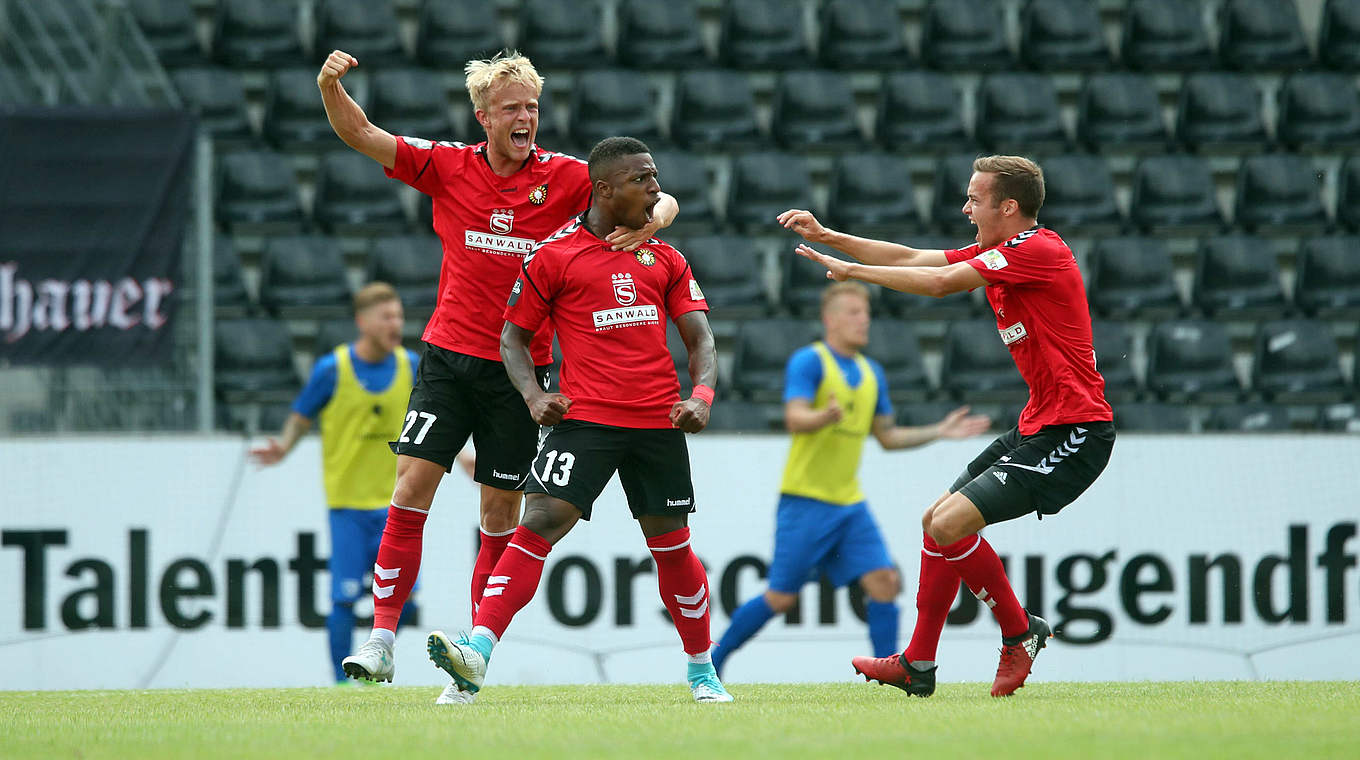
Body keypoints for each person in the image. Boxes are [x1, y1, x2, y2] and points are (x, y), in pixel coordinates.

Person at [316, 49, 679, 703]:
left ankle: (469, 657)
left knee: (498, 511)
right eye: (511, 107)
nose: (525, 117)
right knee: (412, 485)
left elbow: (654, 193)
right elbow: (361, 135)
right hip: (449, 358)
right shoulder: (448, 166)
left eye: (532, 107)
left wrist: (659, 217)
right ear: (483, 116)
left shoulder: (566, 178)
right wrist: (328, 86)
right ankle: (382, 639)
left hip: (522, 374)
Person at [782, 154, 1115, 698]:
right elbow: (915, 256)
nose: (965, 209)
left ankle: (1019, 630)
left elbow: (938, 283)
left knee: (950, 523)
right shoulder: (1001, 252)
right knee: (934, 520)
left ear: (1008, 207)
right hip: (1038, 426)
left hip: (1077, 432)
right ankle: (918, 663)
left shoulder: (1038, 250)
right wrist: (830, 236)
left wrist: (854, 273)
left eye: (974, 199)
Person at [423, 136, 733, 703]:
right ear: (605, 189)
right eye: (643, 179)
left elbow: (700, 336)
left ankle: (702, 669)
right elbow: (512, 338)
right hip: (585, 420)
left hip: (656, 422)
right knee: (538, 520)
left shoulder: (664, 256)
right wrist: (533, 397)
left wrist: (703, 395)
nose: (656, 189)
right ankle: (477, 653)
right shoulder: (553, 254)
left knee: (671, 544)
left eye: (655, 177)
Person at [711, 281, 989, 677]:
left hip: (849, 503)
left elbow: (888, 437)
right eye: (854, 313)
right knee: (780, 597)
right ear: (830, 319)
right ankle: (713, 662)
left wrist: (939, 431)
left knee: (884, 581)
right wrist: (822, 417)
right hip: (805, 501)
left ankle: (892, 673)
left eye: (867, 314)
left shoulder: (871, 372)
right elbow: (794, 417)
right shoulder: (810, 362)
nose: (864, 322)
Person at [249, 283, 421, 685]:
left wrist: (462, 453)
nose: (396, 323)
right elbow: (301, 416)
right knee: (343, 597)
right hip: (347, 505)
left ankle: (371, 658)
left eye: (398, 316)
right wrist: (283, 447)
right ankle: (342, 685)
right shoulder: (333, 369)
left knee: (407, 599)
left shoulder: (411, 364)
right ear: (363, 322)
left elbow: (436, 419)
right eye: (387, 317)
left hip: (398, 504)